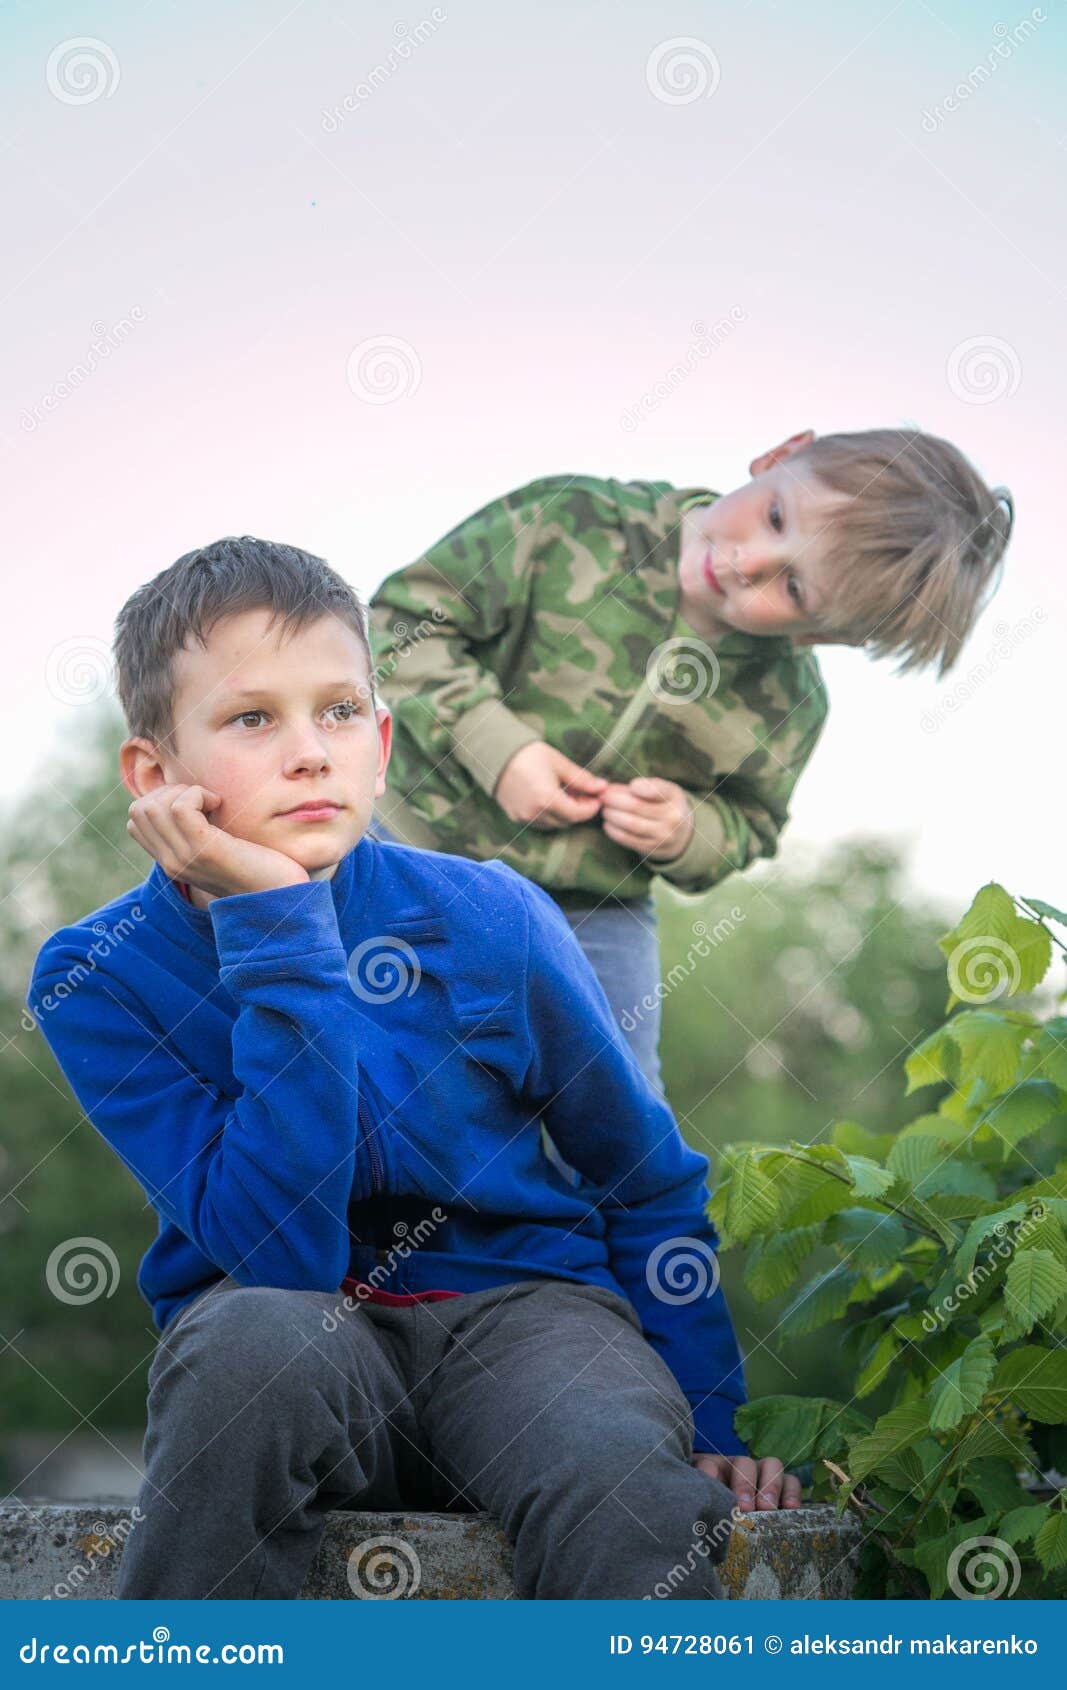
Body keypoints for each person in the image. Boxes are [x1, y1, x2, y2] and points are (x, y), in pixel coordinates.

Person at [26, 537, 801, 1603]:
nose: (309, 752)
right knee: (242, 1359)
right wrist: (277, 928)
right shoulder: (97, 975)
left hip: (527, 1318)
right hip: (293, 1334)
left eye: (339, 710)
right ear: (156, 776)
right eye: (253, 718)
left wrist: (711, 1416)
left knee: (610, 1462)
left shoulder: (486, 914)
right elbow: (278, 1252)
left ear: (381, 744)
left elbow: (641, 1175)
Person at [367, 427, 1014, 1094]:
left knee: (615, 1097)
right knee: (301, 978)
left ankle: (587, 1197)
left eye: (791, 586)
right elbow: (401, 622)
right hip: (405, 822)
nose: (748, 562)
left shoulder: (787, 704)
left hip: (589, 905)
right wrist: (497, 748)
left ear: (817, 633)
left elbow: (750, 824)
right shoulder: (574, 520)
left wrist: (686, 831)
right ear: (778, 455)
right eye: (773, 517)